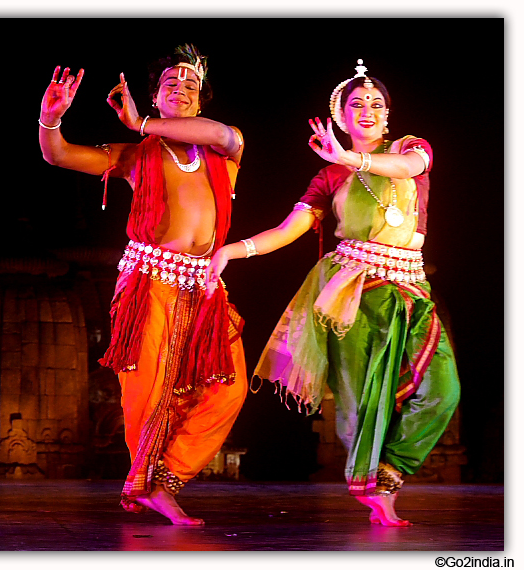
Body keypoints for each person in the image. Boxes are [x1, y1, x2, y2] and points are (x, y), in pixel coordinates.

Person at [205, 60, 461, 527]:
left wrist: (348, 157)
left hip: (410, 287)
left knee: (443, 391)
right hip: (352, 294)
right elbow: (290, 228)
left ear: (388, 115)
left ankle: (391, 467)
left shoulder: (408, 147)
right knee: (359, 401)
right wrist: (232, 251)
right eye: (356, 104)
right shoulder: (328, 179)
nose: (368, 110)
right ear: (341, 118)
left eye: (377, 104)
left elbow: (408, 167)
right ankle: (377, 487)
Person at [39, 44, 247, 525]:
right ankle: (149, 484)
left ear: (201, 99)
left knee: (228, 386)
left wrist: (141, 123)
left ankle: (163, 476)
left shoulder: (224, 144)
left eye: (191, 83)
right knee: (149, 389)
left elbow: (219, 132)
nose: (182, 86)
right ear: (154, 96)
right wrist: (50, 120)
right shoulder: (134, 155)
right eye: (170, 82)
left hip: (206, 289)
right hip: (149, 280)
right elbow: (61, 156)